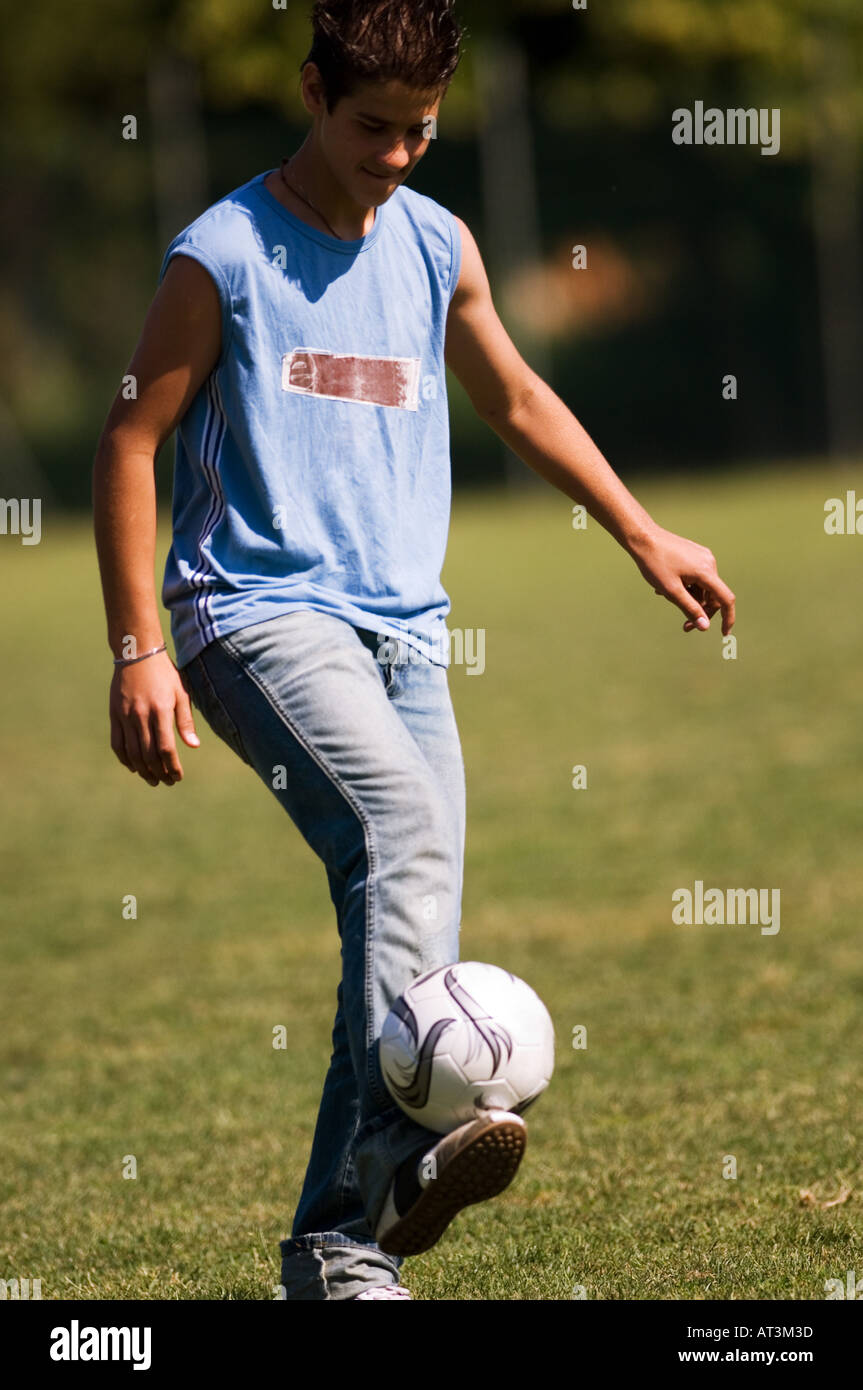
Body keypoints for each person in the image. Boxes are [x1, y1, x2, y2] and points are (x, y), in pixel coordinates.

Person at [93, 0, 735, 1302]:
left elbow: (513, 393)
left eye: (422, 132)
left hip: (406, 631)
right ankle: (393, 1170)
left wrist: (637, 527)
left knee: (405, 909)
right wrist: (135, 649)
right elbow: (127, 445)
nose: (396, 154)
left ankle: (337, 1246)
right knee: (396, 825)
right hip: (249, 612)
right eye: (373, 127)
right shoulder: (221, 255)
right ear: (313, 92)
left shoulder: (439, 243)